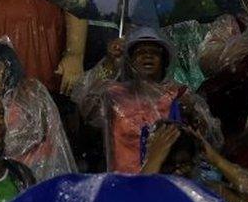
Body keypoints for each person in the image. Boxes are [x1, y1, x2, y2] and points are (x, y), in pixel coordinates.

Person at [73, 28, 222, 173]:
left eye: (154, 52)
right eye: (140, 52)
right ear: (129, 60)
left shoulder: (179, 95)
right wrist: (110, 63)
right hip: (123, 185)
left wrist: (193, 115)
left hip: (165, 186)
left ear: (164, 60)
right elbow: (86, 107)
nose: (148, 56)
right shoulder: (115, 95)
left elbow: (210, 140)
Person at [0, 39, 77, 181]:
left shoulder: (29, 91)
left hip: (40, 169)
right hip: (11, 173)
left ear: (7, 66)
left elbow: (37, 130)